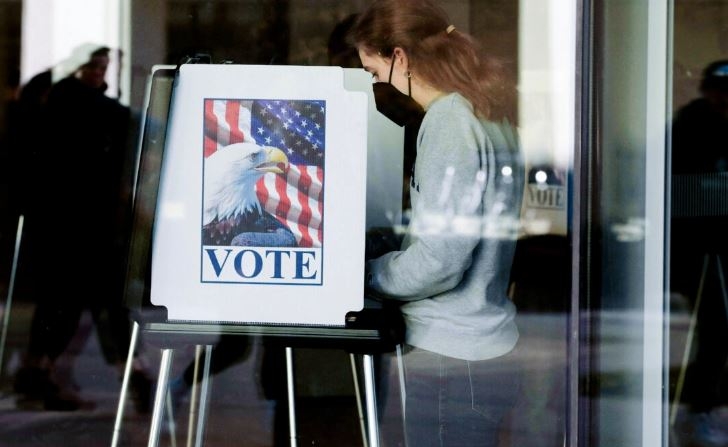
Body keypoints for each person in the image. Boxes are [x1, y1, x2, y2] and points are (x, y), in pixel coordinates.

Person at [351, 1, 524, 445]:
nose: (377, 83)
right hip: (484, 344)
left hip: (451, 353)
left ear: (400, 57)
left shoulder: (449, 121)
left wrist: (362, 275)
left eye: (373, 71)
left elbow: (441, 260)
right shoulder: (489, 112)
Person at [13, 46, 150, 411]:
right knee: (97, 303)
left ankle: (41, 373)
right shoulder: (79, 105)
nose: (98, 73)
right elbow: (135, 126)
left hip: (67, 223)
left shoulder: (55, 102)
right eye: (92, 65)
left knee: (64, 302)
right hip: (83, 223)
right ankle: (133, 377)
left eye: (102, 67)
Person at [671, 60, 728, 446]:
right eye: (720, 93)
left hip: (719, 243)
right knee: (716, 329)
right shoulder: (691, 126)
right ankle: (698, 409)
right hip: (702, 248)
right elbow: (683, 192)